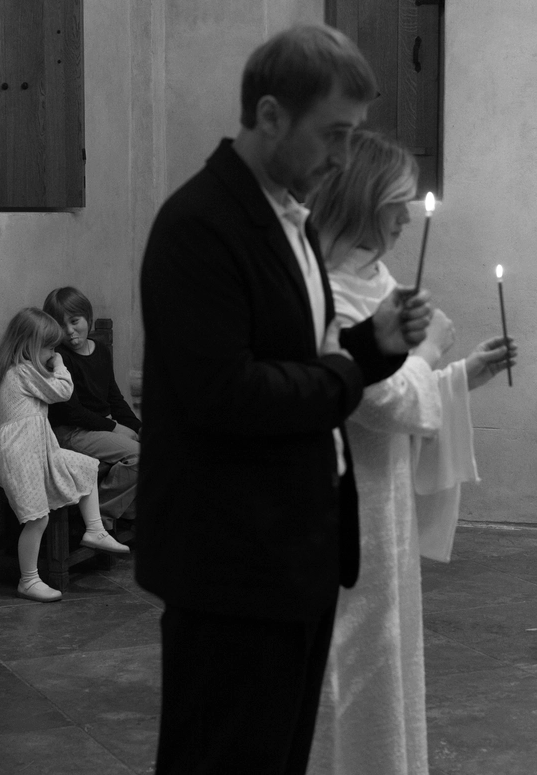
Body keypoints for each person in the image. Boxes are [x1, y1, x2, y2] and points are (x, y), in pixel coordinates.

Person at [136, 25, 433, 775]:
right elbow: (225, 393)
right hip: (231, 563)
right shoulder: (200, 224)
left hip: (294, 553)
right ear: (270, 115)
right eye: (334, 133)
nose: (343, 156)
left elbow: (299, 357)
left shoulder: (286, 217)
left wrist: (373, 344)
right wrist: (349, 375)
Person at [308, 130, 517, 775]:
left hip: (387, 496)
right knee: (352, 660)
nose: (406, 216)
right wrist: (428, 353)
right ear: (363, 200)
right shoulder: (326, 288)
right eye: (396, 202)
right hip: (349, 504)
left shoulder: (376, 277)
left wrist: (461, 377)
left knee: (388, 653)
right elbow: (374, 399)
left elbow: (403, 387)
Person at [0, 308, 130, 604]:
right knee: (37, 519)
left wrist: (51, 361)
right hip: (19, 456)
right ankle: (28, 580)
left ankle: (95, 529)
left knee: (85, 467)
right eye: (49, 348)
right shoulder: (22, 372)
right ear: (29, 345)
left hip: (39, 449)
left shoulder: (28, 370)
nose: (53, 354)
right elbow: (64, 391)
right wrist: (61, 364)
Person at [43, 287, 140, 528]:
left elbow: (114, 398)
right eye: (61, 325)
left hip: (98, 428)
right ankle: (97, 519)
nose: (69, 331)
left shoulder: (101, 350)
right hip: (70, 432)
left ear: (88, 318)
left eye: (75, 321)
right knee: (138, 456)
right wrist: (116, 428)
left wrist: (138, 428)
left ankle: (126, 513)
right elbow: (72, 412)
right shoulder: (59, 358)